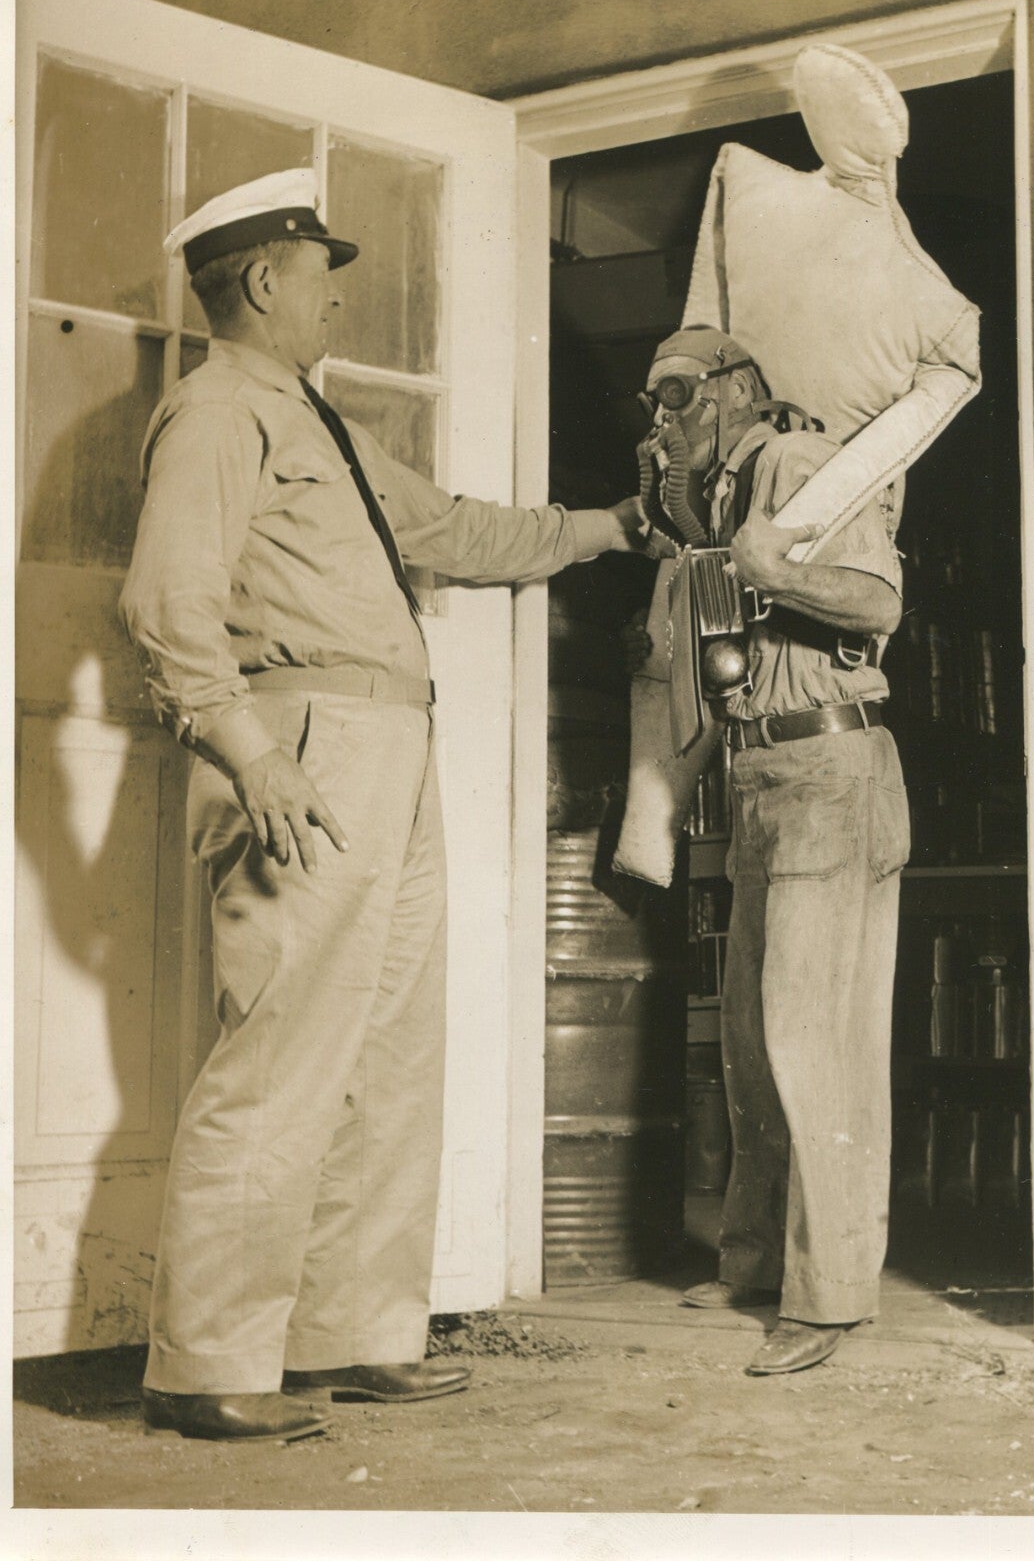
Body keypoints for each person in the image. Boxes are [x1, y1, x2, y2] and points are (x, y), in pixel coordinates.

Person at [119, 169, 646, 1443]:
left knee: (391, 1055)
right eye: (320, 275)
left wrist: (616, 525)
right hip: (299, 750)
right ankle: (207, 1364)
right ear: (261, 281)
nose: (335, 296)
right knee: (285, 1055)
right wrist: (251, 753)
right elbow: (165, 601)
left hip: (385, 751)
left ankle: (349, 1335)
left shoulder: (319, 422)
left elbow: (457, 530)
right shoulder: (216, 412)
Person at [636, 327, 909, 1378]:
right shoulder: (714, 504)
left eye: (677, 395)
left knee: (811, 1042)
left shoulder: (793, 468)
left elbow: (877, 601)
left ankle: (830, 1298)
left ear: (736, 391)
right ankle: (753, 1264)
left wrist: (766, 560)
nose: (661, 420)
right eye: (651, 404)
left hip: (827, 774)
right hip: (762, 779)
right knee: (753, 1039)